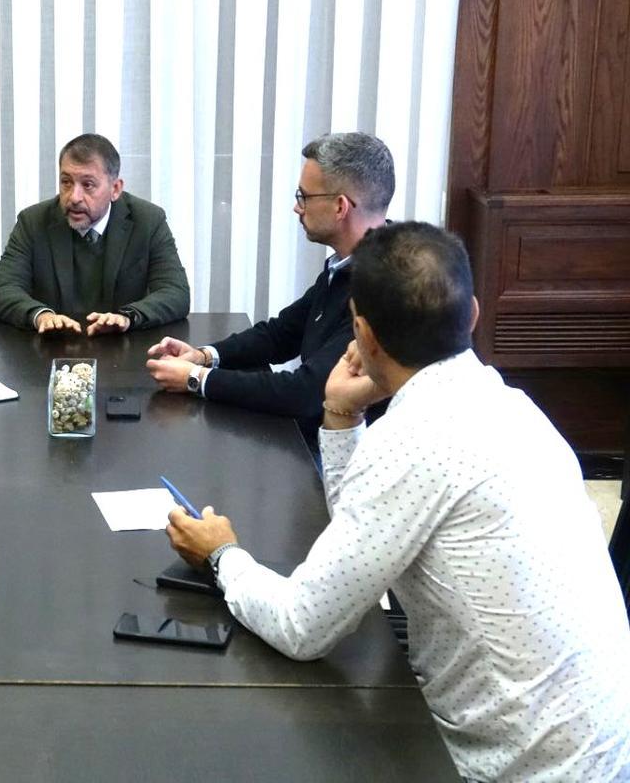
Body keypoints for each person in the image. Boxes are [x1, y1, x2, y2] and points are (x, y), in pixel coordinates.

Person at [165, 222, 630, 781]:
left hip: (516, 767)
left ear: (362, 333)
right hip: (605, 749)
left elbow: (302, 627)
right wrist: (341, 415)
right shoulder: (515, 407)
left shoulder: (414, 438)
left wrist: (223, 557)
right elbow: (364, 535)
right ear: (474, 315)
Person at [145, 132, 393, 446]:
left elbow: (306, 393)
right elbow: (280, 335)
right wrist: (203, 356)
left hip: (343, 460)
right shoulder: (347, 263)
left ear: (340, 206)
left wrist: (196, 380)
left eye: (304, 196)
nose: (296, 207)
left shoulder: (387, 286)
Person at [0, 133, 190, 335]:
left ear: (115, 189)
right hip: (53, 348)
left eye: (88, 185)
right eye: (66, 182)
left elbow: (175, 293)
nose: (74, 197)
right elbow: (2, 290)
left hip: (125, 349)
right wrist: (42, 316)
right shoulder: (33, 222)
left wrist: (128, 317)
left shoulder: (148, 221)